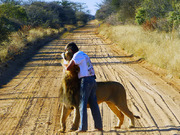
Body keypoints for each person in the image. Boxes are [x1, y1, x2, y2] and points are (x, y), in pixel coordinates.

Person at [64, 42, 102, 132]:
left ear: (70, 50)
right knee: (94, 104)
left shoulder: (77, 55)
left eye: (67, 51)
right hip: (92, 80)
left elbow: (69, 68)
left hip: (85, 81)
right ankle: (99, 126)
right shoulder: (84, 54)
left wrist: (64, 63)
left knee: (82, 104)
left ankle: (83, 128)